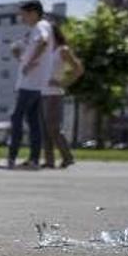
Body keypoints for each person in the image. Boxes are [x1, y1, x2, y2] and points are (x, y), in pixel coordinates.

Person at [5, 0, 56, 171]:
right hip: (35, 82)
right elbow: (29, 47)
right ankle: (33, 160)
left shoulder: (41, 26)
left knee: (16, 117)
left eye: (24, 14)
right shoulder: (39, 28)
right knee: (33, 121)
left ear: (33, 12)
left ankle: (11, 159)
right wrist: (22, 57)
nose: (22, 18)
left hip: (31, 82)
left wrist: (30, 63)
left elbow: (43, 41)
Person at [41, 22, 85, 169]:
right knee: (45, 129)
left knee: (53, 127)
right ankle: (49, 161)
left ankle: (68, 157)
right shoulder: (45, 51)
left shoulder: (62, 50)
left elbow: (78, 69)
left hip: (54, 93)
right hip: (42, 93)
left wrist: (63, 83)